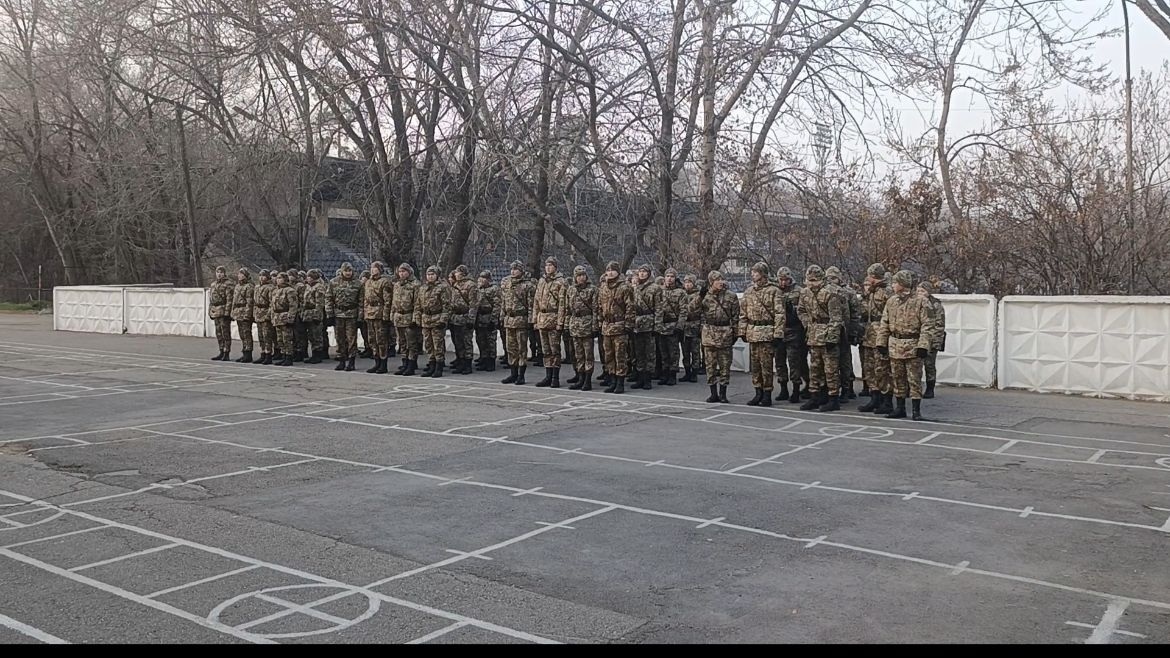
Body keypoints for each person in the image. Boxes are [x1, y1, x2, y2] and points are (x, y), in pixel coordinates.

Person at [878, 270, 937, 420]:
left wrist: (923, 345)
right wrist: (881, 342)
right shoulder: (891, 301)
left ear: (903, 284)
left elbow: (928, 325)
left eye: (895, 282)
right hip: (895, 345)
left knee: (914, 379)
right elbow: (884, 323)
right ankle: (900, 408)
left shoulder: (921, 302)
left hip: (913, 346)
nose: (893, 285)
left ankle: (916, 411)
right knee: (897, 378)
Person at [797, 265, 845, 412]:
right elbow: (801, 310)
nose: (811, 283)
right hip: (813, 335)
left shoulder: (831, 293)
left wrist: (832, 337)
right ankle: (815, 396)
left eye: (814, 280)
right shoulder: (805, 292)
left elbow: (836, 318)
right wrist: (808, 324)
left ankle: (833, 398)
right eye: (809, 280)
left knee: (831, 369)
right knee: (815, 368)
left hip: (827, 335)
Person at [738, 262, 785, 407]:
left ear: (763, 274)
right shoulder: (749, 292)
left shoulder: (774, 291)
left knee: (766, 365)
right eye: (752, 272)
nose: (753, 274)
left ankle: (767, 393)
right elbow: (743, 313)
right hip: (753, 332)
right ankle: (757, 392)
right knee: (755, 365)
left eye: (756, 272)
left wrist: (778, 333)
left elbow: (780, 313)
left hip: (767, 332)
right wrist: (742, 331)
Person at [692, 271, 740, 403]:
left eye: (721, 279)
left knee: (725, 365)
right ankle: (713, 393)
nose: (720, 282)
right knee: (710, 366)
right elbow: (692, 310)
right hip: (709, 333)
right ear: (711, 282)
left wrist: (736, 333)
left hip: (725, 333)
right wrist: (700, 296)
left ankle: (723, 393)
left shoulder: (731, 296)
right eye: (717, 280)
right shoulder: (705, 296)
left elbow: (736, 317)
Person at [858, 264, 894, 414]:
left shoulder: (887, 292)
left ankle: (887, 401)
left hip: (880, 334)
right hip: (869, 334)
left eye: (870, 276)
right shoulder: (871, 292)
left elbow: (892, 315)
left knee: (882, 369)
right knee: (869, 367)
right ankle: (874, 397)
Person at [597, 260, 635, 394]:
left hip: (619, 325)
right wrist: (600, 322)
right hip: (607, 326)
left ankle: (620, 382)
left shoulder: (625, 287)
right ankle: (612, 380)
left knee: (620, 355)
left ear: (618, 272)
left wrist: (628, 324)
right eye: (608, 270)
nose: (610, 272)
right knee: (609, 355)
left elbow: (630, 307)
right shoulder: (603, 287)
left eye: (613, 270)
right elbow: (600, 306)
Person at [531, 256, 569, 388]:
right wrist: (535, 319)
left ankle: (555, 377)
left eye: (550, 265)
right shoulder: (542, 281)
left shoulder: (561, 282)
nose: (548, 268)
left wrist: (560, 322)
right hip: (542, 318)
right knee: (545, 349)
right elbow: (536, 301)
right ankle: (548, 375)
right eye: (546, 265)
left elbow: (563, 304)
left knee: (554, 349)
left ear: (555, 267)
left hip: (553, 318)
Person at [826, 266, 862, 401]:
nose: (831, 281)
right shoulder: (827, 291)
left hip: (844, 330)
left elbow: (855, 314)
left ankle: (848, 388)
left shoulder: (848, 292)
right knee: (831, 362)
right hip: (830, 330)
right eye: (829, 278)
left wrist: (853, 332)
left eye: (833, 278)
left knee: (845, 361)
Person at [775, 266, 809, 402]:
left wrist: (793, 311)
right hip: (779, 331)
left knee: (795, 361)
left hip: (794, 331)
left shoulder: (799, 291)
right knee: (779, 361)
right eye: (781, 280)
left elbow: (805, 310)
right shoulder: (775, 291)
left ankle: (796, 389)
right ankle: (783, 388)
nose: (783, 282)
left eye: (786, 280)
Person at [500, 260, 536, 385]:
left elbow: (531, 304)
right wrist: (502, 316)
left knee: (521, 349)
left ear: (521, 271)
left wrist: (531, 320)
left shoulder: (528, 285)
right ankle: (513, 373)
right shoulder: (507, 283)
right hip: (509, 320)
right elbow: (504, 301)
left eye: (516, 269)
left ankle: (521, 375)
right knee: (511, 348)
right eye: (512, 269)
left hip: (521, 320)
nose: (513, 271)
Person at [415, 265, 453, 378]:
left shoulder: (442, 288)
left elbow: (447, 306)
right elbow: (418, 305)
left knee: (438, 344)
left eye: (432, 274)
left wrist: (443, 320)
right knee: (428, 344)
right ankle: (431, 365)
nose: (430, 277)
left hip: (437, 318)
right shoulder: (423, 288)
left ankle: (439, 366)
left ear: (437, 275)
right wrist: (417, 318)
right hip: (426, 319)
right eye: (428, 274)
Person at [566, 265, 598, 390]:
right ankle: (580, 378)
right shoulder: (571, 290)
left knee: (588, 354)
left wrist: (595, 327)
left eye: (583, 275)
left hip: (587, 324)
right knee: (578, 354)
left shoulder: (592, 289)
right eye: (578, 275)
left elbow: (596, 309)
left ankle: (588, 380)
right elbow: (568, 309)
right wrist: (567, 325)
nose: (581, 278)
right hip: (575, 324)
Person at [328, 262, 364, 372]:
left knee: (351, 339)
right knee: (339, 338)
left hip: (352, 314)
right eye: (346, 271)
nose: (348, 273)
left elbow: (361, 301)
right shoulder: (333, 282)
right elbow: (329, 298)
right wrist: (329, 314)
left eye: (350, 271)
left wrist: (360, 317)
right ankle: (342, 360)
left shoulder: (358, 284)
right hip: (338, 313)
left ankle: (351, 361)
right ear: (342, 271)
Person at [630, 264, 661, 390]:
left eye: (644, 271)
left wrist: (657, 326)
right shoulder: (635, 288)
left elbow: (659, 308)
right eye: (640, 271)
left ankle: (648, 379)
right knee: (638, 352)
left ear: (649, 273)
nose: (642, 273)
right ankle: (640, 378)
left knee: (649, 352)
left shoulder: (655, 288)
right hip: (637, 323)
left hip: (649, 322)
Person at [656, 268, 687, 386]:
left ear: (675, 278)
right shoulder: (659, 291)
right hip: (661, 325)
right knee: (663, 352)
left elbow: (683, 310)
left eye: (672, 276)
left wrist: (680, 326)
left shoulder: (680, 293)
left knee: (673, 352)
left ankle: (672, 374)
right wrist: (656, 325)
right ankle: (665, 374)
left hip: (673, 325)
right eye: (667, 276)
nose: (669, 279)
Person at [917, 280, 947, 399]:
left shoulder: (935, 305)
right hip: (916, 338)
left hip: (931, 338)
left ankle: (930, 388)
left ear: (928, 292)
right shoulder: (914, 302)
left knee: (929, 364)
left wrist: (935, 341)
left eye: (923, 291)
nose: (920, 293)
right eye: (918, 291)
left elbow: (939, 324)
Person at [449, 265, 479, 375]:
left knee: (466, 342)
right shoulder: (456, 285)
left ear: (462, 273)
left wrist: (471, 319)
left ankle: (467, 364)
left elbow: (473, 304)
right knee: (458, 342)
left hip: (465, 317)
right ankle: (460, 362)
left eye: (457, 272)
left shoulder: (471, 285)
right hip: (455, 318)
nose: (455, 274)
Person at [392, 263, 421, 376]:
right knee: (402, 342)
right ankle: (404, 363)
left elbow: (417, 304)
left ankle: (411, 364)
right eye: (400, 272)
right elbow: (394, 302)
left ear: (409, 272)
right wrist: (392, 315)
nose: (402, 274)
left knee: (411, 343)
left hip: (409, 316)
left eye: (404, 271)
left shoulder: (415, 285)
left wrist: (415, 319)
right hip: (399, 317)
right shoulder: (397, 285)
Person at [270, 271, 299, 366]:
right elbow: (272, 305)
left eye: (280, 278)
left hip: (285, 315)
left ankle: (289, 356)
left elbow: (293, 306)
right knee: (279, 339)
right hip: (277, 317)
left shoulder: (290, 290)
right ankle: (283, 355)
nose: (277, 280)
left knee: (287, 338)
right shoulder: (275, 291)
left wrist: (290, 318)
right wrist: (272, 317)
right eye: (277, 278)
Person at [208, 265, 235, 361]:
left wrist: (228, 312)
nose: (219, 274)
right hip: (216, 310)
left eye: (221, 272)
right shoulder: (213, 284)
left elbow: (229, 299)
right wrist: (210, 310)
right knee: (218, 332)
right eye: (218, 272)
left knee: (225, 332)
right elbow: (211, 299)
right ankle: (221, 351)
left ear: (224, 273)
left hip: (223, 310)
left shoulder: (228, 284)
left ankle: (226, 352)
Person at [474, 271, 501, 371]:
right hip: (480, 318)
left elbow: (497, 305)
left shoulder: (494, 289)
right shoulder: (479, 289)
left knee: (490, 341)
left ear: (488, 279)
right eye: (480, 278)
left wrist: (493, 320)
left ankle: (491, 361)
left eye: (484, 278)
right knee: (481, 340)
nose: (481, 280)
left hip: (489, 317)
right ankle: (484, 359)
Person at [230, 268, 256, 363]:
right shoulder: (237, 286)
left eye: (242, 274)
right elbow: (234, 300)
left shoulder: (249, 286)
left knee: (246, 333)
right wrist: (232, 312)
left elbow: (250, 302)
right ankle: (244, 351)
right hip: (238, 312)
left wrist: (247, 314)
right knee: (242, 334)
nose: (239, 276)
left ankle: (248, 353)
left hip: (245, 311)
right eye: (239, 274)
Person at [253, 269, 275, 365]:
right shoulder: (257, 287)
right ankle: (262, 353)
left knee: (267, 335)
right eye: (260, 276)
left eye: (264, 276)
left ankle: (268, 354)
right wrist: (254, 313)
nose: (262, 278)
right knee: (260, 335)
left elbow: (272, 303)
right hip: (258, 313)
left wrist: (268, 315)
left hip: (265, 312)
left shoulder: (270, 288)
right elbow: (254, 302)